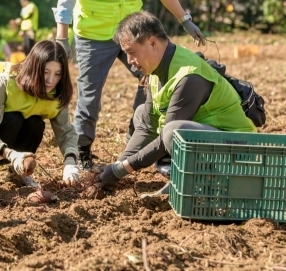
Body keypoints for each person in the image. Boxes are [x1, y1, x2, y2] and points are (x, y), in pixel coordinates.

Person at [51, 0, 207, 170]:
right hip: (93, 35)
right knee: (90, 97)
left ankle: (139, 135)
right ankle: (81, 153)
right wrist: (62, 39)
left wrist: (185, 19)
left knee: (153, 81)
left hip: (131, 32)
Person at [97, 11, 256, 192]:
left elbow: (167, 139)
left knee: (174, 132)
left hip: (238, 150)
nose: (130, 61)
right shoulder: (158, 68)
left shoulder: (189, 75)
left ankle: (196, 182)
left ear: (152, 43)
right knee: (142, 113)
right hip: (213, 142)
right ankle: (181, 174)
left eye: (131, 52)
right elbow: (148, 126)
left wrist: (119, 170)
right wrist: (119, 163)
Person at [0, 41, 81, 188]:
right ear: (34, 68)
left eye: (57, 74)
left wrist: (70, 162)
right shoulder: (6, 83)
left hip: (15, 150)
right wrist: (9, 153)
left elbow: (66, 131)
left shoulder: (56, 95)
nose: (50, 80)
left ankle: (17, 172)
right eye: (46, 72)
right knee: (14, 118)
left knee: (36, 122)